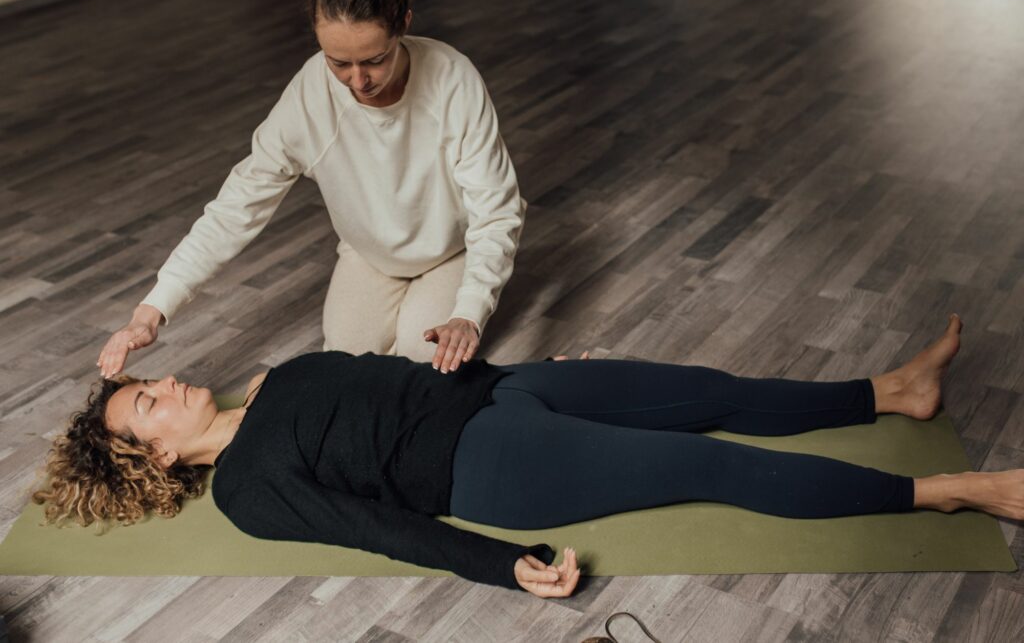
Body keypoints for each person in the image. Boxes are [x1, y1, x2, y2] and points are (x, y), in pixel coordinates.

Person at [36, 314, 1024, 598]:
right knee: (706, 461)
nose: (165, 385)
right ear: (153, 461)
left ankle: (890, 392)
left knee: (703, 390)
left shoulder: (280, 376)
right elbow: (383, 530)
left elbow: (404, 379)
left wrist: (510, 360)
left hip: (502, 389)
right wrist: (500, 564)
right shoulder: (250, 490)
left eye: (148, 381)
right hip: (492, 468)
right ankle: (954, 492)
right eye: (144, 406)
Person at [96, 0, 527, 379]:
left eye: (374, 60)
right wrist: (153, 308)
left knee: (421, 365)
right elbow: (237, 206)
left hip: (451, 252)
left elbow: (496, 211)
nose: (357, 82)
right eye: (339, 62)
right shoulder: (309, 95)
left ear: (403, 22)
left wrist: (470, 309)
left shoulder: (453, 78)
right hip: (369, 255)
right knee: (342, 365)